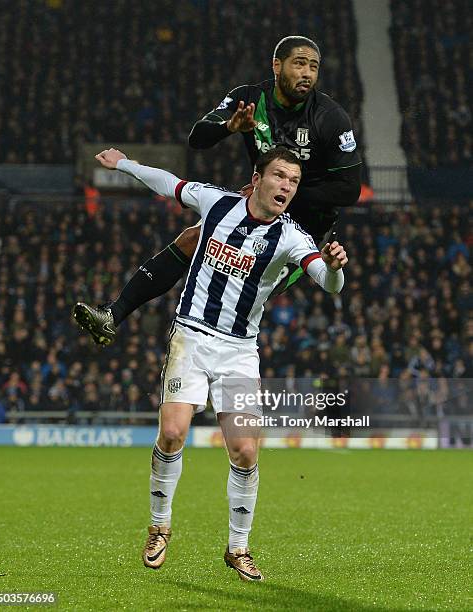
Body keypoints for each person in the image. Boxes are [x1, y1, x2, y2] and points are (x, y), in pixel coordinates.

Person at [86, 145, 347, 581]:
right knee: (171, 434)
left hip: (240, 351)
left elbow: (327, 281)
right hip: (191, 336)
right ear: (258, 177)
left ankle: (238, 548)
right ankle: (159, 526)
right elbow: (169, 182)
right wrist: (125, 164)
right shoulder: (217, 203)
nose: (286, 186)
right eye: (280, 176)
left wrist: (336, 267)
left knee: (245, 451)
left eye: (294, 181)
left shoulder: (291, 237)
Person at [73, 35, 360, 346]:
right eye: (299, 64)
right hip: (257, 205)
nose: (307, 73)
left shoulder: (330, 118)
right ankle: (113, 316)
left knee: (248, 283)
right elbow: (197, 139)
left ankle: (226, 372)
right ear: (277, 66)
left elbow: (349, 190)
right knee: (192, 239)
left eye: (313, 67)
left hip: (305, 225)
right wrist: (230, 127)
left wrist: (283, 188)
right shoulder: (250, 99)